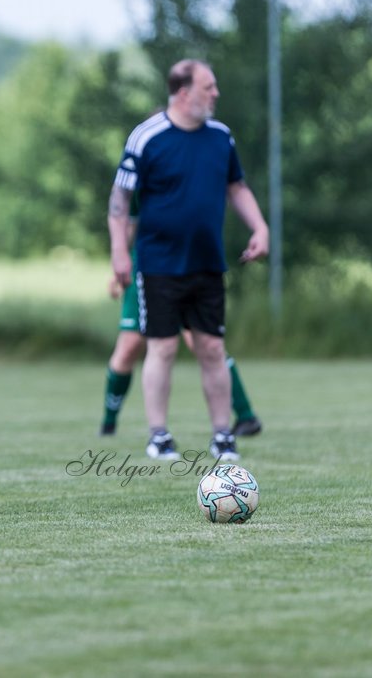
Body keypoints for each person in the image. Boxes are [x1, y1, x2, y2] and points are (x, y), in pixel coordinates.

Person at [108, 59, 269, 462]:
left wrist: (260, 227)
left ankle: (222, 435)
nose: (216, 93)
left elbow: (237, 187)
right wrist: (118, 251)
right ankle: (159, 435)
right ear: (183, 92)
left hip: (207, 262)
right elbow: (120, 200)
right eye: (208, 86)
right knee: (161, 349)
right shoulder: (147, 137)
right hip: (159, 264)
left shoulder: (220, 136)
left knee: (212, 348)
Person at [100, 196, 262, 438]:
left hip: (190, 262)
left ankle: (246, 416)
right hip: (149, 264)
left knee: (204, 343)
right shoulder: (140, 162)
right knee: (130, 345)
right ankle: (109, 423)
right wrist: (120, 260)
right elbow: (128, 217)